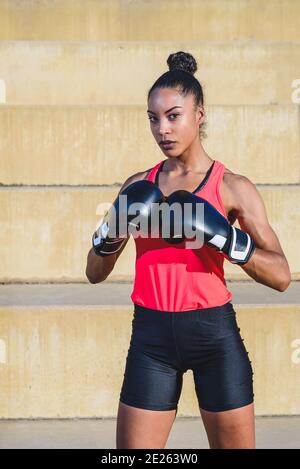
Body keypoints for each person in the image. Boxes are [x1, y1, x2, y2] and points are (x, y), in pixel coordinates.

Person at [85, 51, 291, 449]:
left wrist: (226, 239)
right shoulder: (137, 186)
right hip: (151, 339)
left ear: (200, 114)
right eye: (153, 118)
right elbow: (94, 272)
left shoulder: (232, 186)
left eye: (174, 115)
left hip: (215, 336)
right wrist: (111, 233)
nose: (162, 128)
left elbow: (281, 276)